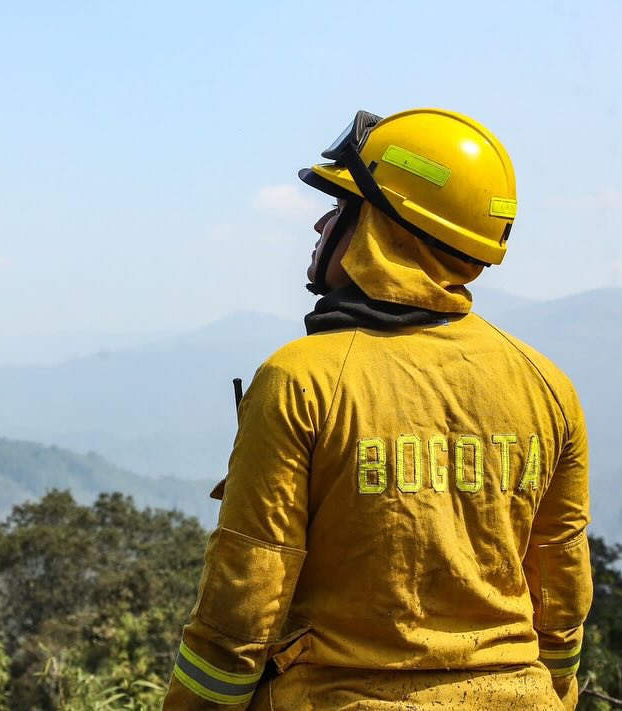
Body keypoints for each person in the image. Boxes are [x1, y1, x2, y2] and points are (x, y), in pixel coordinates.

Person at [162, 109, 593, 710]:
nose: (319, 222)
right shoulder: (546, 385)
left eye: (341, 207)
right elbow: (562, 592)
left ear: (384, 230)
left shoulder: (300, 379)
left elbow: (245, 597)